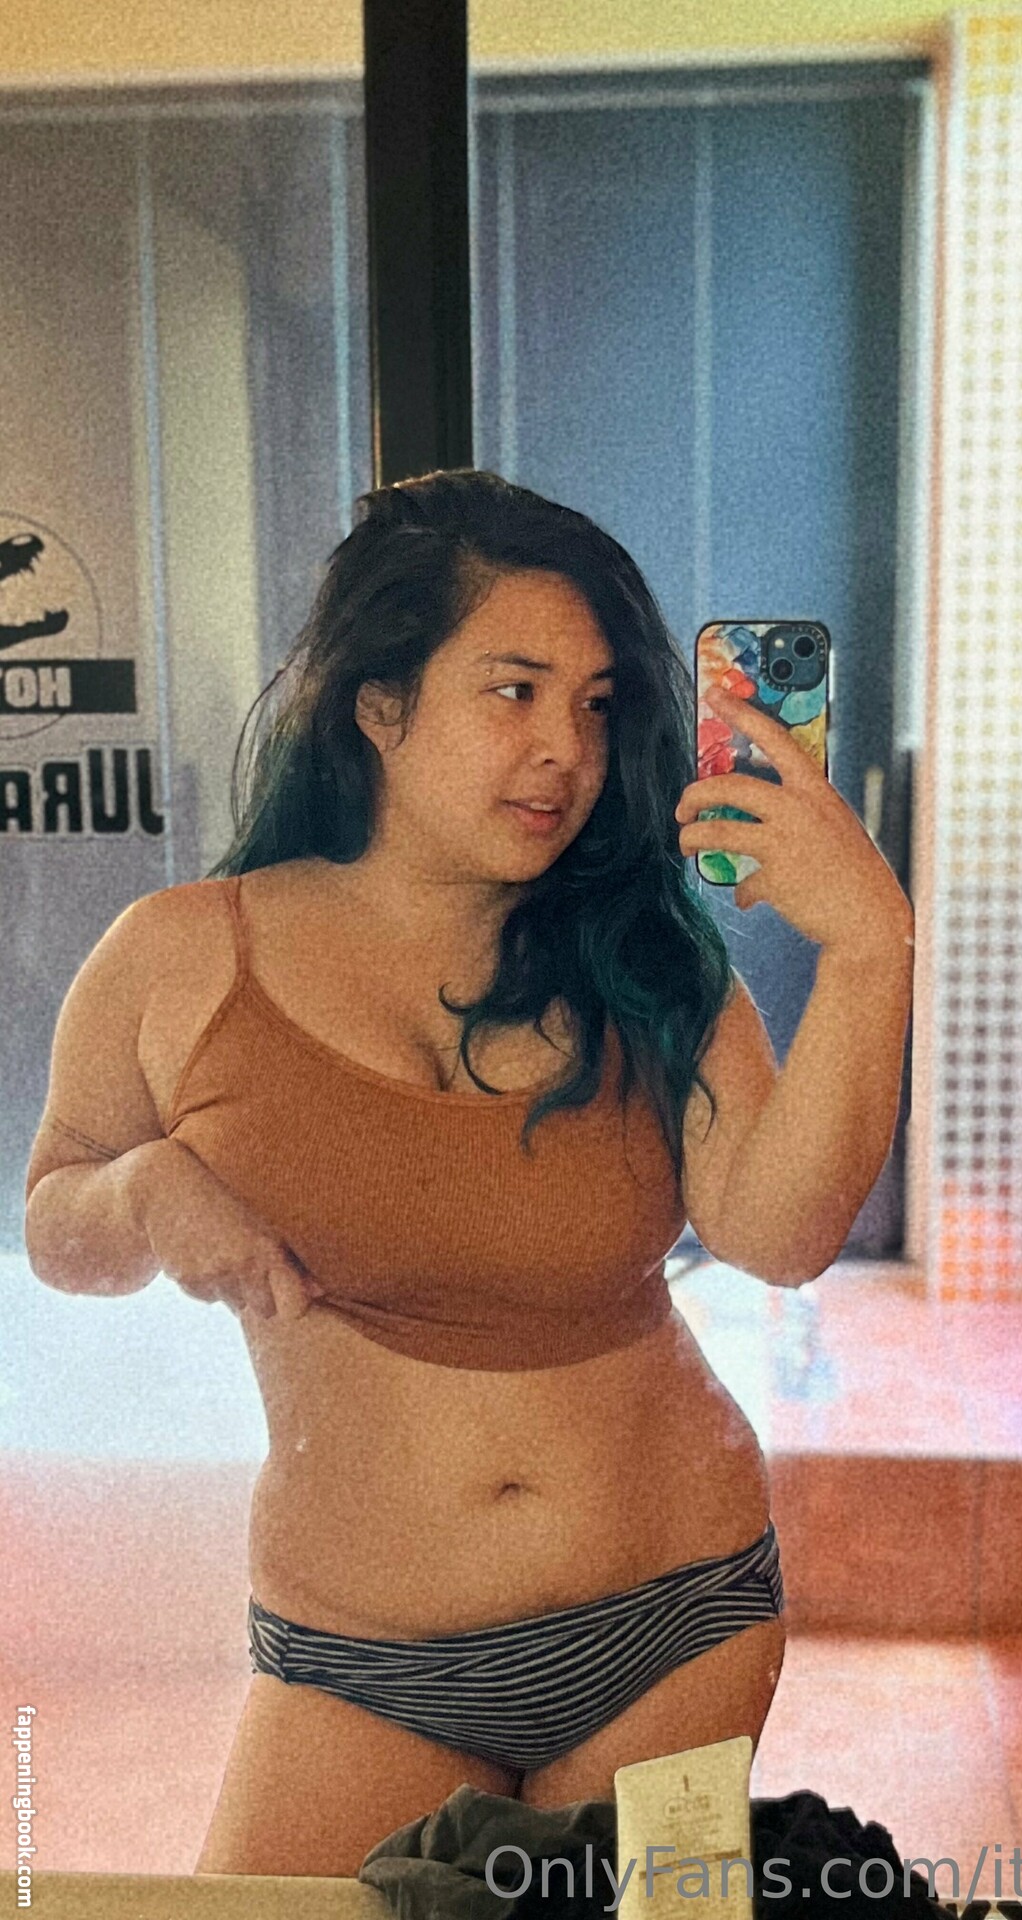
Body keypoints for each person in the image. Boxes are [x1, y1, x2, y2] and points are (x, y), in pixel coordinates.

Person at [22, 469, 915, 1878]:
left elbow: (782, 1234)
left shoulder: (648, 960)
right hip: (357, 1662)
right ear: (379, 705)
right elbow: (54, 1224)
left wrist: (869, 948)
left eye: (598, 704)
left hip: (679, 1623)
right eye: (514, 692)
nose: (565, 749)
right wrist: (139, 1193)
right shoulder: (179, 954)